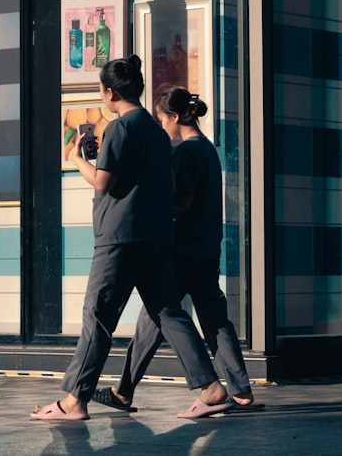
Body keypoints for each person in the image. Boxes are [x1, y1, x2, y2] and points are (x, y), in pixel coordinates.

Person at [31, 56, 233, 421]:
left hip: (119, 239)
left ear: (108, 93)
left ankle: (75, 401)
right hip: (155, 238)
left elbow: (104, 182)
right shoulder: (158, 132)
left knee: (98, 315)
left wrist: (77, 159)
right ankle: (211, 387)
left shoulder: (120, 128)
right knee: (169, 313)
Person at [92, 85, 263, 413]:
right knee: (216, 321)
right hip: (208, 248)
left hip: (183, 248)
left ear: (174, 116)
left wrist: (152, 198)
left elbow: (182, 202)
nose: (160, 125)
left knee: (157, 316)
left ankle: (125, 390)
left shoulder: (185, 152)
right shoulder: (208, 149)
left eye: (161, 119)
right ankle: (241, 391)